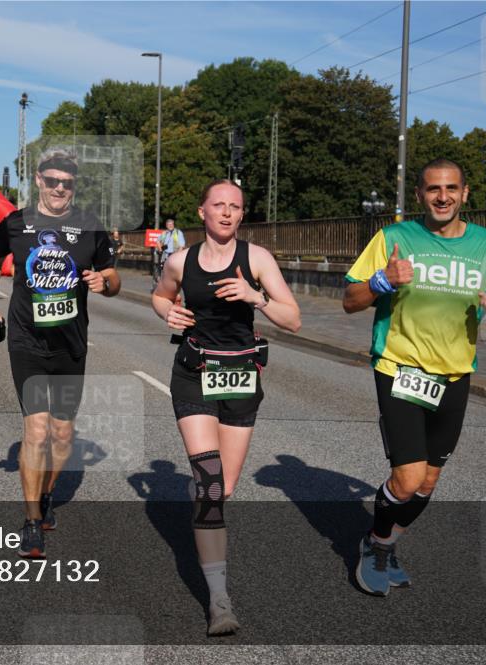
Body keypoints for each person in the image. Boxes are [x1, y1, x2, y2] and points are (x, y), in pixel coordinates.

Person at [343, 158, 486, 597]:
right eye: (433, 189)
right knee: (407, 479)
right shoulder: (394, 238)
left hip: (454, 375)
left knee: (428, 482)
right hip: (399, 368)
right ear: (420, 195)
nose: (442, 197)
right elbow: (350, 300)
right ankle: (375, 545)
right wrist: (382, 281)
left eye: (450, 189)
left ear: (465, 193)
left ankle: (385, 543)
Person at [152, 178, 300, 636]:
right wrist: (167, 311)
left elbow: (293, 319)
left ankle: (202, 499)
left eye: (235, 206)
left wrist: (257, 297)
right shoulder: (181, 260)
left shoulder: (257, 259)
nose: (227, 212)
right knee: (211, 484)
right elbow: (161, 294)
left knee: (225, 487)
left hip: (240, 376)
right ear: (202, 211)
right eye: (218, 205)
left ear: (241, 213)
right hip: (194, 373)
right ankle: (219, 601)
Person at [0, 148, 121, 558]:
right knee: (36, 431)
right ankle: (31, 519)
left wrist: (105, 283)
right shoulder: (15, 223)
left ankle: (47, 493)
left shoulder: (90, 227)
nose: (60, 188)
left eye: (67, 183)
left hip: (71, 344)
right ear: (39, 179)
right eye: (53, 181)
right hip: (27, 341)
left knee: (62, 434)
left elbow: (113, 277)